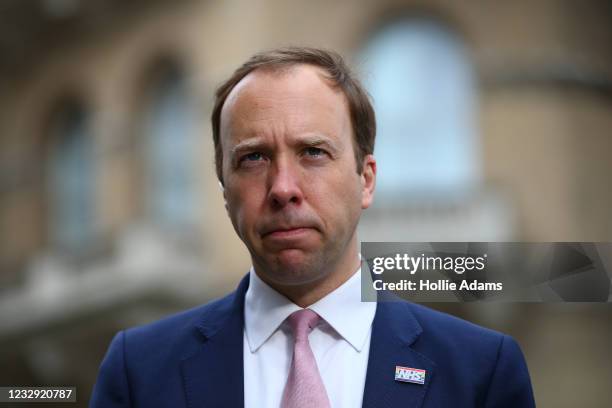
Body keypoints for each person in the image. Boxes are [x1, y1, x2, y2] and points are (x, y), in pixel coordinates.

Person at [90, 47, 535, 408]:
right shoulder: (139, 370)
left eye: (313, 153)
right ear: (224, 189)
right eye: (253, 158)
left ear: (366, 180)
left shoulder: (482, 369)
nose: (283, 188)